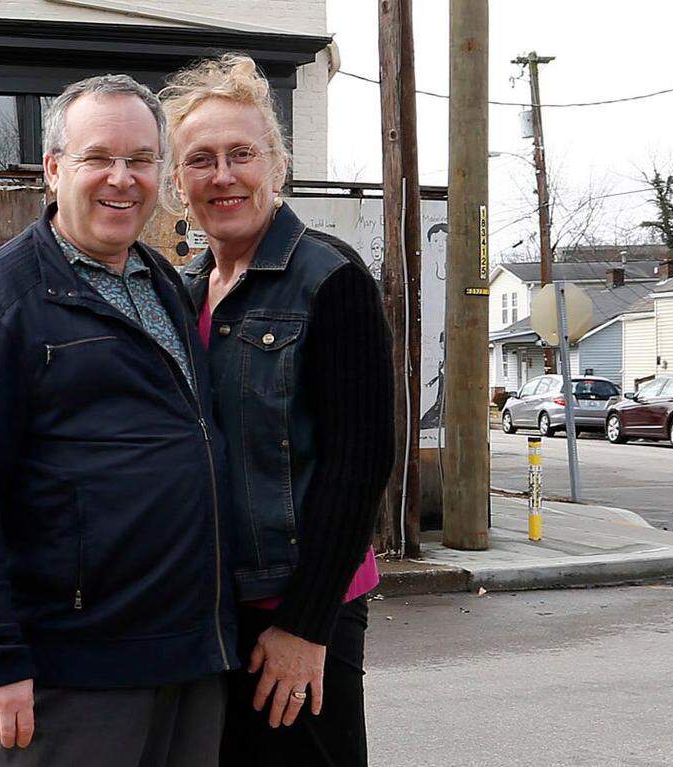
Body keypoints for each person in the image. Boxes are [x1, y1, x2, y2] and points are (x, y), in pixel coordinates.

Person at [0, 74, 237, 767]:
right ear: (54, 168)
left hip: (189, 657)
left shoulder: (162, 281)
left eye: (141, 159)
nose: (122, 179)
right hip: (72, 673)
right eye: (99, 157)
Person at [162, 54, 395, 766]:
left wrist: (305, 625)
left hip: (297, 607)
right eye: (201, 160)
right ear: (177, 182)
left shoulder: (331, 277)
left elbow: (360, 463)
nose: (223, 175)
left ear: (278, 167)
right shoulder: (183, 290)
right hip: (212, 612)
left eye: (242, 154)